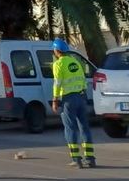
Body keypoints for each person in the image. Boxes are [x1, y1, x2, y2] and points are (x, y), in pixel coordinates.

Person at [51, 39, 95, 168]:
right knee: (84, 127)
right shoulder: (75, 61)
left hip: (68, 100)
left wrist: (55, 100)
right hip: (81, 97)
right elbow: (83, 80)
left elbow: (57, 83)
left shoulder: (58, 64)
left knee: (70, 128)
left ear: (57, 51)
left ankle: (76, 159)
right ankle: (90, 158)